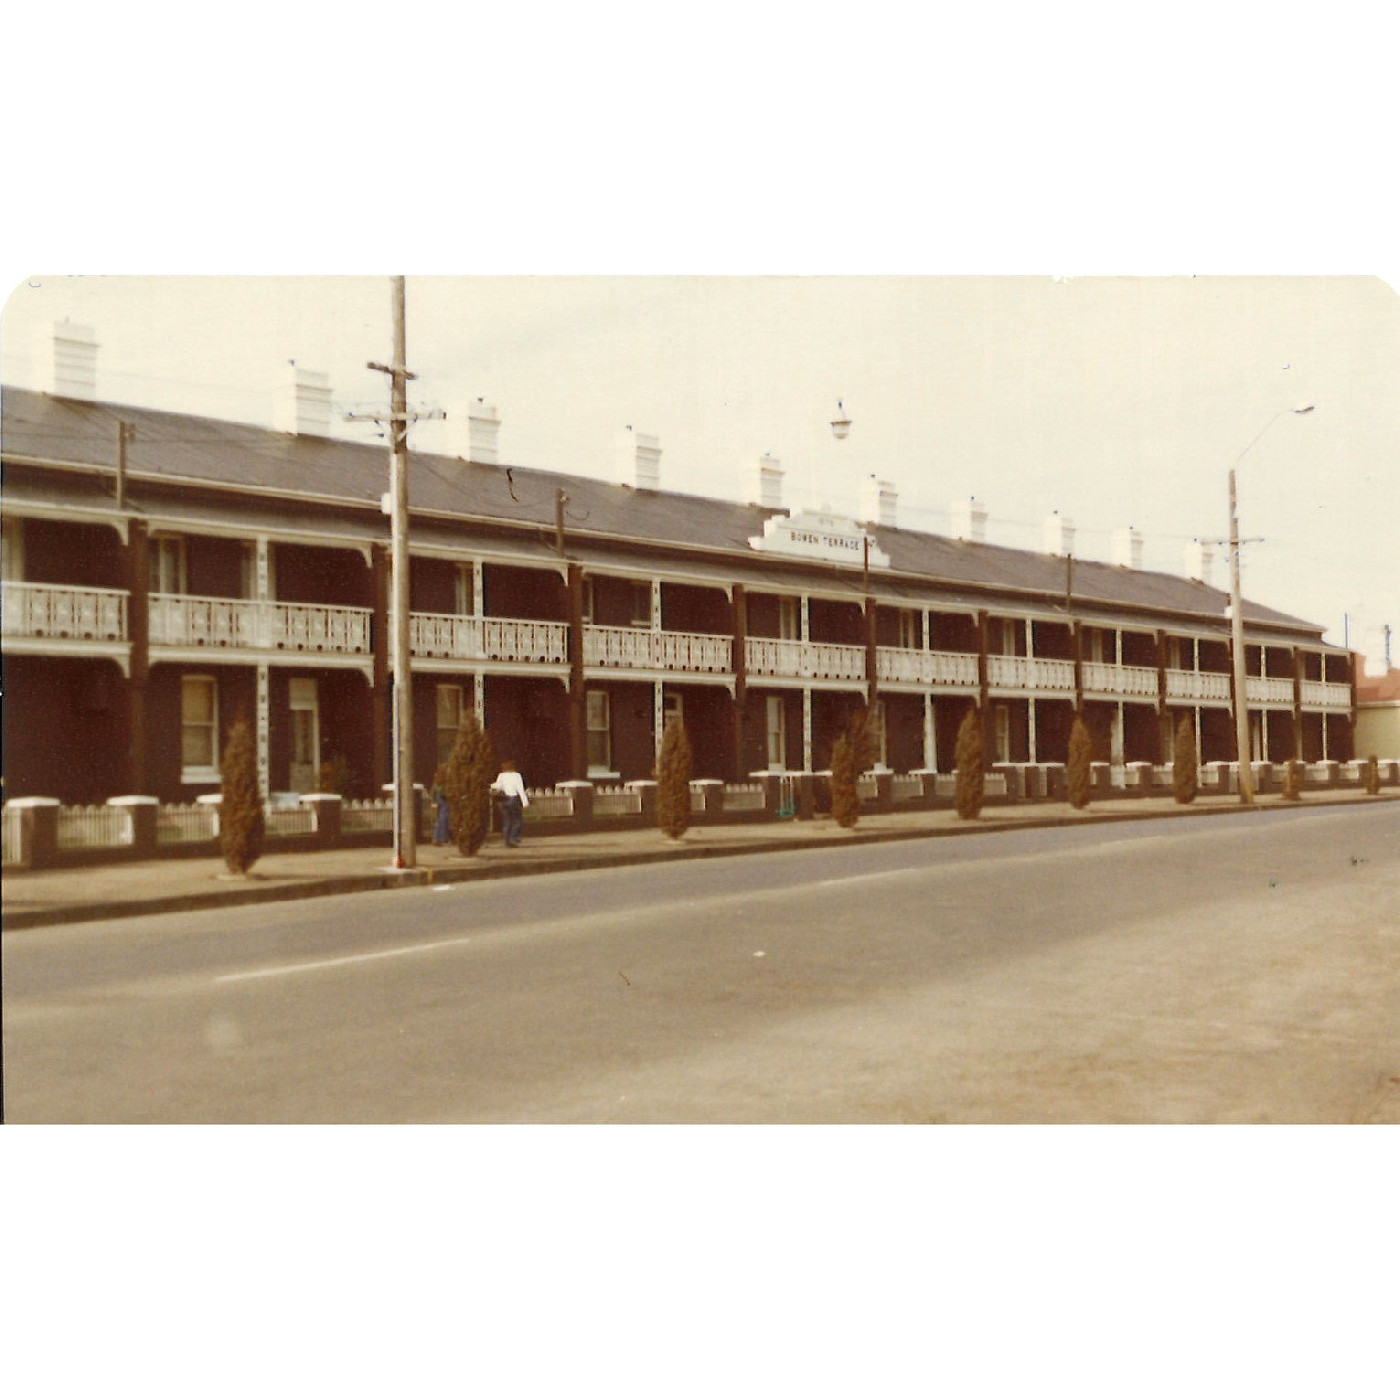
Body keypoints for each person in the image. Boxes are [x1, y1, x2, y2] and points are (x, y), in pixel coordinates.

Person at [490, 760, 529, 847]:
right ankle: (514, 838)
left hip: (504, 799)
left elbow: (498, 786)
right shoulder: (517, 775)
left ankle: (506, 840)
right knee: (517, 820)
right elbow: (520, 789)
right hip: (513, 799)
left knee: (507, 820)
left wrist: (490, 786)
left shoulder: (501, 775)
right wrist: (525, 802)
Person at [430, 765, 451, 846]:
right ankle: (439, 838)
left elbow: (433, 791)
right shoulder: (445, 780)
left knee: (441, 820)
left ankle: (439, 838)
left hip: (439, 799)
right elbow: (445, 791)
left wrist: (433, 801)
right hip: (444, 799)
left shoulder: (437, 780)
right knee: (443, 819)